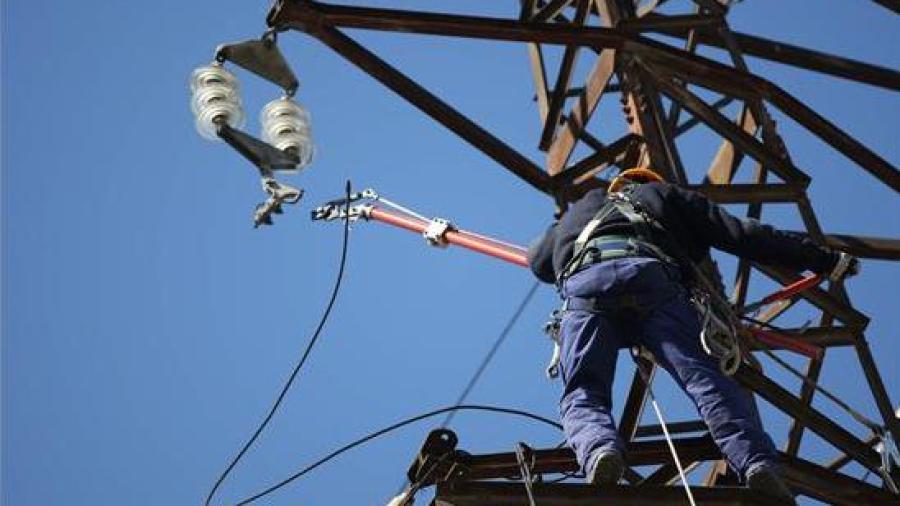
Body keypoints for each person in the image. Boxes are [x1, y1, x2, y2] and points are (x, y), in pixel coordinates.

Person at [527, 168, 858, 504]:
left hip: (588, 290)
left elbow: (538, 260)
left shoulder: (582, 208)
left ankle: (598, 450)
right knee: (708, 381)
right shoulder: (666, 195)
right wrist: (822, 259)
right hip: (652, 281)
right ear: (650, 182)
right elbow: (742, 234)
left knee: (584, 390)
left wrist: (562, 231)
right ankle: (756, 463)